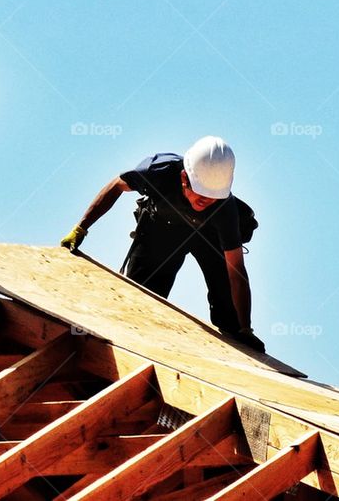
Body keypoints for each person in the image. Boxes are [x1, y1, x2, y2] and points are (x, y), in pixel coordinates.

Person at [60, 136, 266, 352]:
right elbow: (116, 185)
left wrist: (246, 329)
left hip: (208, 235)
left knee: (230, 311)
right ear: (184, 178)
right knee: (140, 301)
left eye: (212, 198)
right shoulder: (159, 171)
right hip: (163, 228)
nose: (205, 202)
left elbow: (236, 272)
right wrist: (81, 228)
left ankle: (236, 330)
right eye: (200, 195)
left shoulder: (225, 208)